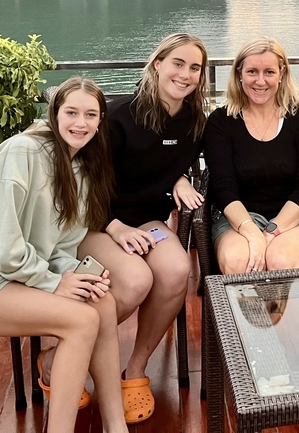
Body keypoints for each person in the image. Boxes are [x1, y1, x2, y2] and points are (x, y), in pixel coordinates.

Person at [0, 76, 128, 433]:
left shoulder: (82, 168)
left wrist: (76, 274)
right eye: (72, 112)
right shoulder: (22, 152)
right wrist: (52, 282)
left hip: (13, 278)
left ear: (100, 121)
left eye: (91, 115)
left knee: (103, 302)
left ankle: (115, 424)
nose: (81, 123)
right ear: (55, 113)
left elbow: (61, 245)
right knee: (82, 321)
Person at [75, 33, 208, 423]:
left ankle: (134, 369)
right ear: (157, 65)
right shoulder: (119, 117)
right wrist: (114, 228)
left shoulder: (192, 120)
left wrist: (181, 177)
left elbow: (173, 157)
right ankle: (64, 350)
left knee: (176, 270)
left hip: (146, 220)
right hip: (95, 220)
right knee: (135, 281)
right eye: (177, 64)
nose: (185, 74)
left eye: (195, 68)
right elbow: (83, 183)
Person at [204, 36, 299, 274]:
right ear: (239, 73)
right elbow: (223, 187)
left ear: (282, 73)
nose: (260, 81)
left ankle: (273, 312)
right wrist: (252, 233)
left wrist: (271, 232)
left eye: (269, 72)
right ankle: (255, 313)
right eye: (252, 71)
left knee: (281, 261)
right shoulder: (221, 122)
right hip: (240, 218)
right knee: (238, 262)